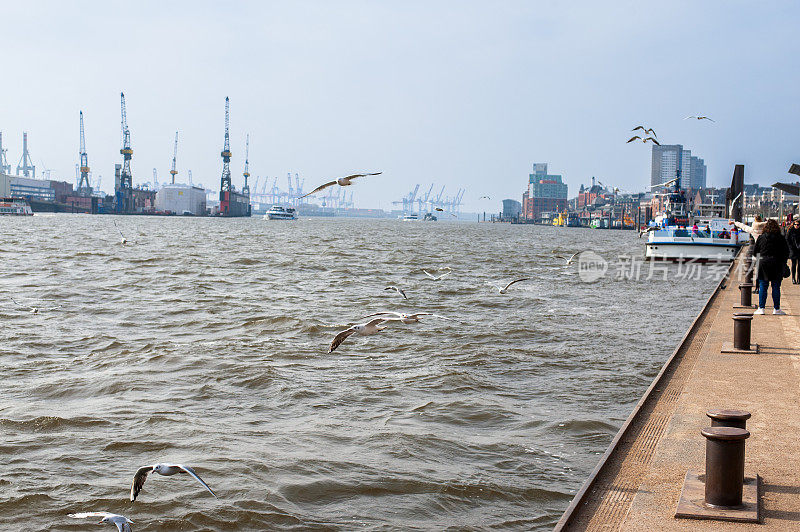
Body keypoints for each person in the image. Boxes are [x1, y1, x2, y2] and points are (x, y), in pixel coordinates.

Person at [752, 219, 790, 315]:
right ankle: (776, 309)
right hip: (777, 263)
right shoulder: (781, 238)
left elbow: (755, 252)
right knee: (776, 286)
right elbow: (786, 252)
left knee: (763, 286)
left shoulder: (761, 238)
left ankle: (761, 308)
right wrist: (783, 262)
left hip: (763, 263)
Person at [787, 219, 800, 284]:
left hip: (799, 250)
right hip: (793, 250)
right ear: (793, 225)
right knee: (794, 264)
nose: (797, 226)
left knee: (799, 265)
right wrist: (790, 248)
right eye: (795, 224)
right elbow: (788, 240)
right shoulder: (790, 231)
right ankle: (793, 278)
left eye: (798, 225)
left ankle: (798, 279)